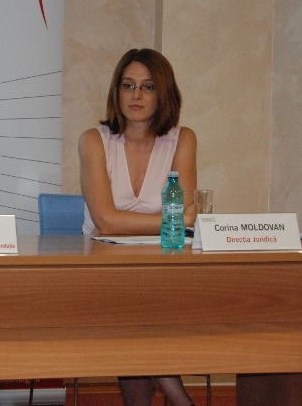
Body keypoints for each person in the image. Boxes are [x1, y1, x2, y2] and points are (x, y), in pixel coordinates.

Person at [78, 48, 197, 406]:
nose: (136, 95)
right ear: (116, 91)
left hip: (163, 268)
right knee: (137, 306)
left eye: (148, 87)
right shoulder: (94, 140)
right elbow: (106, 220)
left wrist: (135, 224)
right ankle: (181, 400)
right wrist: (172, 221)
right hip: (100, 270)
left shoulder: (183, 139)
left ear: (164, 94)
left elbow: (184, 216)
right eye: (128, 85)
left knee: (145, 305)